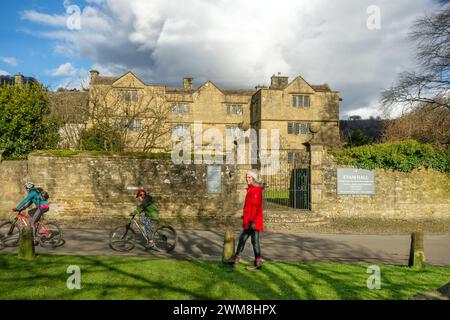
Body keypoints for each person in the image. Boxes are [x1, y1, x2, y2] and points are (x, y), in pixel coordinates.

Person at [233, 169, 265, 270]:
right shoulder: (251, 189)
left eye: (249, 177)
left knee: (255, 242)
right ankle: (236, 258)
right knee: (242, 239)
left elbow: (256, 207)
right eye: (246, 177)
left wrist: (253, 221)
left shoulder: (255, 190)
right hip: (249, 221)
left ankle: (257, 263)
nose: (247, 179)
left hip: (253, 222)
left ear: (253, 178)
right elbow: (249, 207)